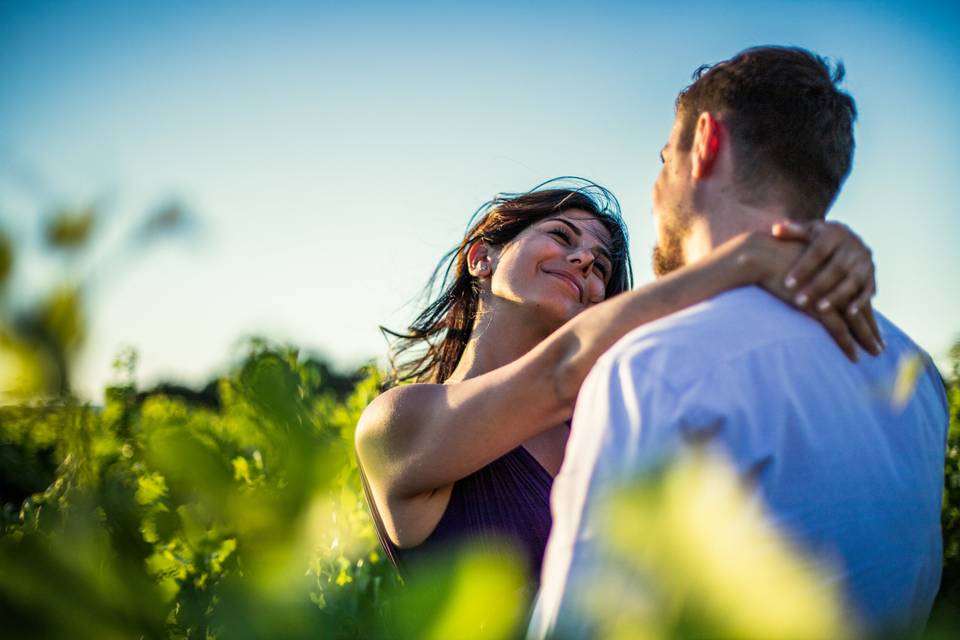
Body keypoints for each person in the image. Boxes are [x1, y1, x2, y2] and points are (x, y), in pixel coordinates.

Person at [530, 47, 949, 637]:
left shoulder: (653, 367)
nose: (654, 189)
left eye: (662, 159)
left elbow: (588, 623)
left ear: (704, 144)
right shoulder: (918, 376)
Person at [355, 174, 881, 596]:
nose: (584, 259)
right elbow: (557, 376)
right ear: (481, 258)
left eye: (600, 266)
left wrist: (823, 249)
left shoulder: (610, 419)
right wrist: (745, 259)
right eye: (561, 236)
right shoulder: (396, 424)